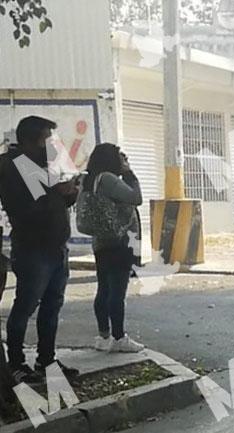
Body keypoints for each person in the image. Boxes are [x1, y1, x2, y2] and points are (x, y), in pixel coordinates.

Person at [0, 116, 78, 384]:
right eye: (47, 138)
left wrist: (69, 192)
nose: (52, 144)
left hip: (55, 247)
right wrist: (60, 191)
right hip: (34, 248)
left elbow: (56, 202)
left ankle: (46, 359)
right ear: (31, 140)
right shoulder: (15, 165)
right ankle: (16, 363)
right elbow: (36, 207)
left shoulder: (41, 164)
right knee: (25, 305)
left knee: (52, 306)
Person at [82, 143, 145, 353]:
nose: (123, 161)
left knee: (104, 289)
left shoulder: (90, 179)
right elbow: (136, 198)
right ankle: (119, 337)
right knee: (117, 292)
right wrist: (129, 173)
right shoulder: (108, 179)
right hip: (119, 242)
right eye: (120, 157)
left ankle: (103, 336)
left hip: (101, 241)